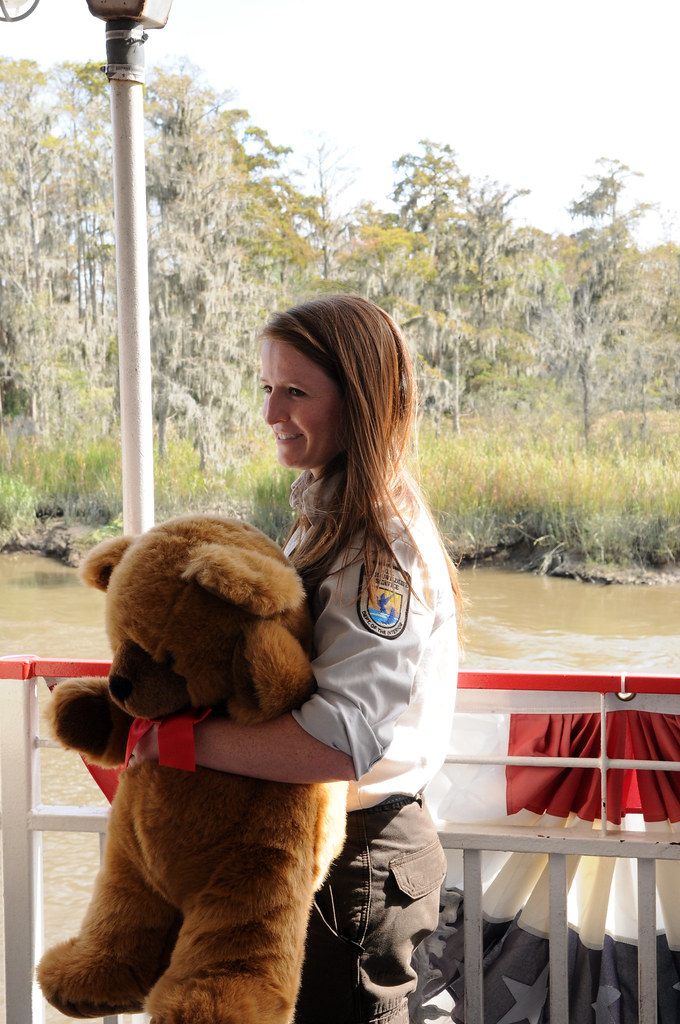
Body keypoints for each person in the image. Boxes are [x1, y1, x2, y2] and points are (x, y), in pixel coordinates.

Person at [133, 294, 462, 1024]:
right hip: (317, 848)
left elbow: (343, 741)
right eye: (266, 389)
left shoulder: (381, 545)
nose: (270, 412)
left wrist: (179, 745)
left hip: (359, 865)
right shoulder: (325, 512)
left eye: (295, 392)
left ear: (362, 401)